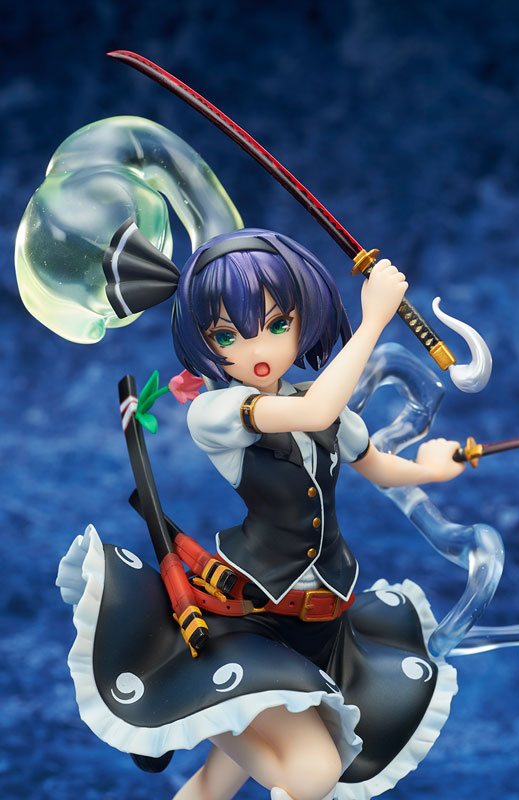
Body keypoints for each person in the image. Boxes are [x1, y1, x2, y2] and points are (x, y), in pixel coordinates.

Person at [57, 225, 463, 800]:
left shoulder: (322, 410)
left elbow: (376, 465)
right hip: (249, 619)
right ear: (205, 343)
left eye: (276, 325)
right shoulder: (218, 412)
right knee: (311, 772)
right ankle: (192, 701)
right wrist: (374, 319)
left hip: (326, 625)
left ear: (303, 318)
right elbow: (318, 408)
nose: (258, 352)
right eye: (227, 335)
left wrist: (432, 468)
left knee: (217, 783)